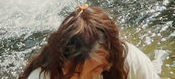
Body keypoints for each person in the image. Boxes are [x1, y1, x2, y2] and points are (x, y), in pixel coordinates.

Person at [20, 5, 160, 79]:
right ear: (62, 63)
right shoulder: (40, 77)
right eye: (76, 73)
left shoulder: (130, 61)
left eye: (95, 70)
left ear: (109, 61)